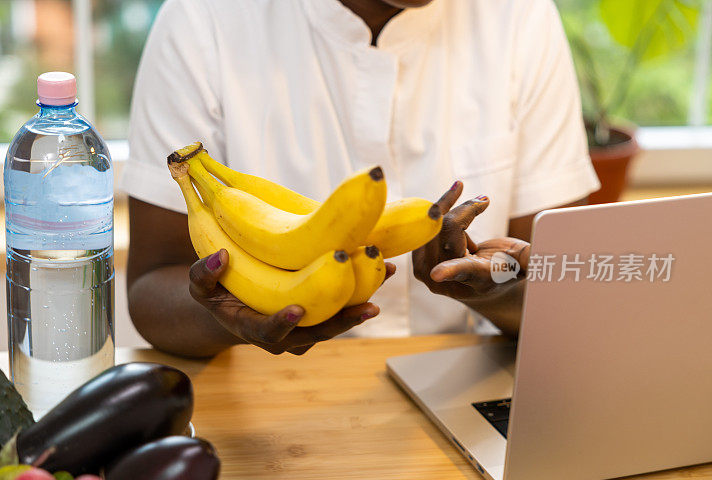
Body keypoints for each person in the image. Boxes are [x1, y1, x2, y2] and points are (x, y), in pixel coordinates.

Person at [122, 0, 599, 357]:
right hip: (265, 413)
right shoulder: (206, 18)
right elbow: (151, 289)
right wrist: (231, 317)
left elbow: (569, 293)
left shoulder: (518, 15)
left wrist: (500, 290)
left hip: (465, 395)